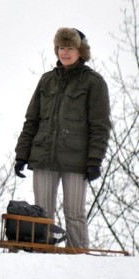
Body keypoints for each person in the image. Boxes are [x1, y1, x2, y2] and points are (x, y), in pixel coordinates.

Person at [14, 28, 111, 250]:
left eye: (70, 48)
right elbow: (31, 120)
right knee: (43, 214)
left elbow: (100, 126)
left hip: (76, 161)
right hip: (43, 156)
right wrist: (22, 155)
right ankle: (44, 261)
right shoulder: (46, 80)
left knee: (74, 214)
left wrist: (94, 160)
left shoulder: (93, 82)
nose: (65, 53)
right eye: (61, 48)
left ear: (80, 51)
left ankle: (79, 262)